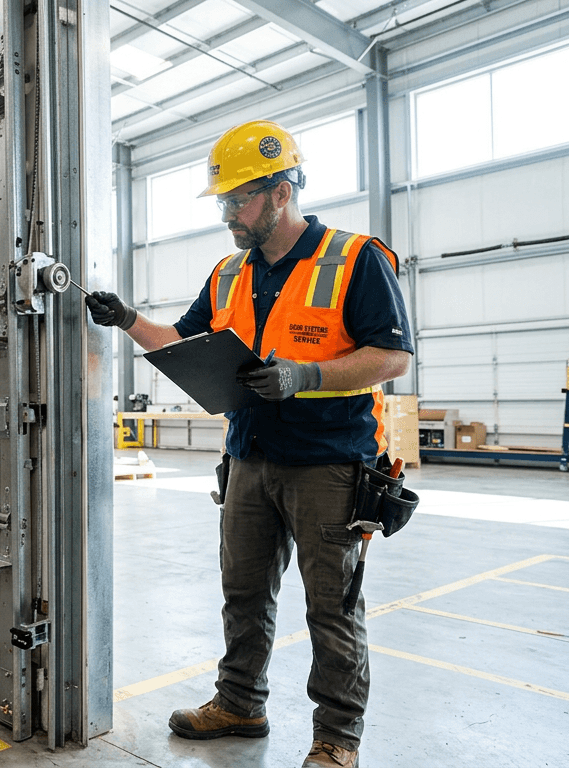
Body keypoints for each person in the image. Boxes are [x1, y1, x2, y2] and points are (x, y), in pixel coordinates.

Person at [86, 121, 413, 768]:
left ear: (282, 191)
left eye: (240, 199)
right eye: (223, 201)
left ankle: (337, 739)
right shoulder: (229, 272)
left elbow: (393, 358)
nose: (228, 213)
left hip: (328, 463)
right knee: (243, 594)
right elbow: (181, 342)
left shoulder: (355, 258)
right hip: (247, 458)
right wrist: (127, 320)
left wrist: (303, 375)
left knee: (331, 607)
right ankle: (240, 702)